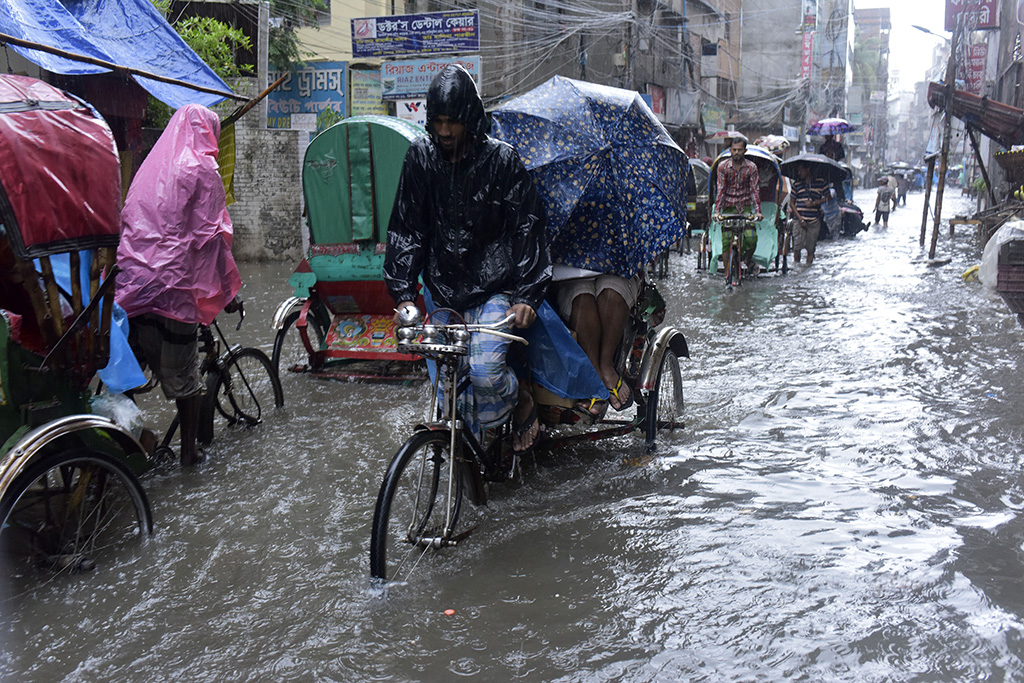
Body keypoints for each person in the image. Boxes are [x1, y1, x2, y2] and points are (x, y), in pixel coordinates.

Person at [384, 64, 550, 454]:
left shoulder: (503, 161)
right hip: (442, 288)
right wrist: (404, 294)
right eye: (438, 121)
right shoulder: (420, 159)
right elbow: (407, 229)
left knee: (486, 374)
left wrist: (527, 294)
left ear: (470, 119)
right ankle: (471, 461)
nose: (444, 131)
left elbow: (526, 227)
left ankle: (521, 400)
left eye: (452, 123)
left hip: (494, 289)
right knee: (451, 391)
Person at [116, 104, 242, 467]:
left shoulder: (151, 168)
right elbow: (211, 236)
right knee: (186, 379)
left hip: (131, 284)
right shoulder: (202, 168)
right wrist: (228, 291)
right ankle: (189, 452)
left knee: (127, 372)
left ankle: (130, 441)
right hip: (171, 286)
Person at [554, 271, 642, 415]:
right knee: (581, 297)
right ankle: (595, 375)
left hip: (618, 267)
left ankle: (606, 365)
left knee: (611, 291)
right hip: (571, 269)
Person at [712, 136, 763, 276]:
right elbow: (721, 189)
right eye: (734, 150)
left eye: (739, 150)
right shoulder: (723, 167)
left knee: (751, 238)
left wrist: (758, 212)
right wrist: (717, 212)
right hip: (728, 207)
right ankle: (728, 272)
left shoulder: (752, 167)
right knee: (726, 241)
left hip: (745, 207)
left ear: (745, 150)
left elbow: (754, 190)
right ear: (730, 150)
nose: (736, 153)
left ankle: (747, 259)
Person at [788, 163, 829, 265]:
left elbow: (828, 197)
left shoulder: (821, 183)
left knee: (811, 249)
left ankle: (808, 268)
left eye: (801, 170)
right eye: (798, 171)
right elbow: (792, 203)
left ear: (808, 170)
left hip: (814, 220)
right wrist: (800, 218)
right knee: (797, 248)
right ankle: (797, 270)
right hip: (799, 220)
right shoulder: (796, 184)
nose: (799, 173)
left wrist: (815, 203)